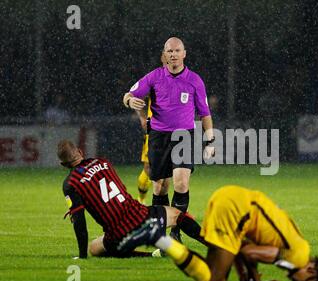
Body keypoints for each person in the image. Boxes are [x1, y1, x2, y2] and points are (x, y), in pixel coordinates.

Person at [118, 185, 318, 281]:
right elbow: (247, 252)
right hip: (236, 210)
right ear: (310, 269)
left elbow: (243, 248)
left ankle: (159, 238)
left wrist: (248, 278)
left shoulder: (299, 246)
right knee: (215, 280)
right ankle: (158, 238)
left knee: (214, 273)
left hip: (231, 199)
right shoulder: (298, 259)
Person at [122, 37, 215, 244]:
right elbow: (128, 95)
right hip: (158, 137)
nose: (173, 54)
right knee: (160, 187)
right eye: (169, 51)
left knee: (181, 183)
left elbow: (205, 114)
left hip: (184, 136)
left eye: (177, 50)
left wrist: (211, 141)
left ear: (184, 53)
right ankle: (162, 235)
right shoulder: (154, 77)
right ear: (165, 55)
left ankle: (175, 232)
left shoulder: (195, 80)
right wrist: (130, 100)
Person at [57, 140, 203, 259]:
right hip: (140, 216)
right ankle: (214, 243)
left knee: (94, 248)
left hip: (118, 235)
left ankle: (151, 255)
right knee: (178, 214)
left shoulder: (70, 184)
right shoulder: (103, 162)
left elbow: (79, 223)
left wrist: (82, 256)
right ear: (80, 152)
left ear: (63, 165)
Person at [136, 54, 169, 205]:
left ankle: (174, 209)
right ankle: (141, 200)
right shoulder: (155, 79)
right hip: (155, 131)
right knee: (149, 168)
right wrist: (143, 117)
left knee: (175, 170)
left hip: (175, 132)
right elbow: (137, 96)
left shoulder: (183, 79)